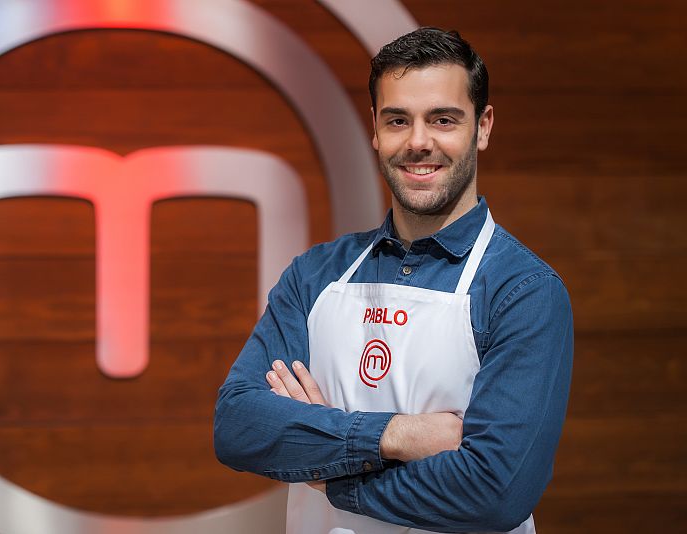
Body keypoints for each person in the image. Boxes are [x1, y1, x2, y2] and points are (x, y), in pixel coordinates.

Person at [214, 27, 572, 534]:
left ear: (483, 127)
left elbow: (496, 490)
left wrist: (331, 477)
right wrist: (398, 436)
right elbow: (238, 426)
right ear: (376, 132)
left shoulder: (523, 290)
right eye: (398, 120)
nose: (419, 141)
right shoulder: (315, 276)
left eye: (443, 120)